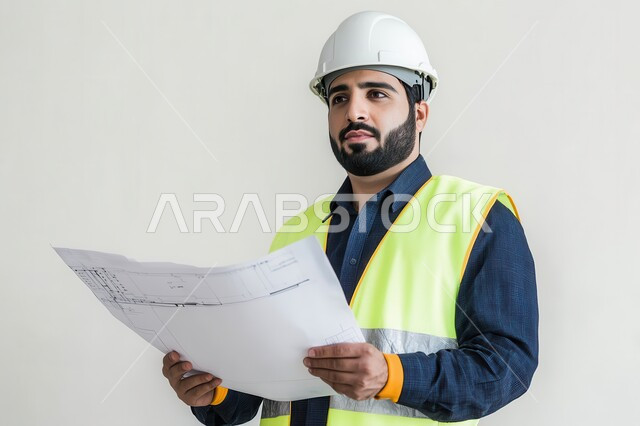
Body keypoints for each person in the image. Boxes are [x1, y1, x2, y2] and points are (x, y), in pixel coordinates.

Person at [162, 11, 538, 425]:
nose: (353, 111)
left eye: (376, 93)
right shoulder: (298, 230)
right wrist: (211, 392)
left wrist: (393, 376)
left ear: (419, 114)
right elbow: (256, 391)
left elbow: (507, 368)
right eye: (339, 97)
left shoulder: (479, 217)